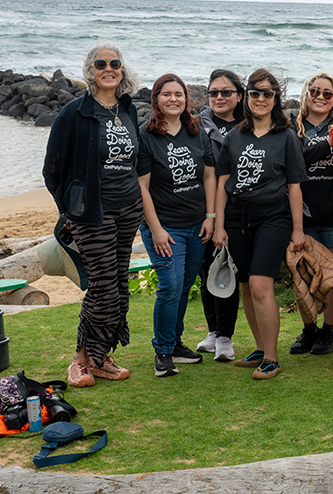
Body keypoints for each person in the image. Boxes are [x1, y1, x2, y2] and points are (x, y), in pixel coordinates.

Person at [43, 41, 143, 387]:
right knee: (103, 290)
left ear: (122, 70)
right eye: (100, 64)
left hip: (128, 208)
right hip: (92, 214)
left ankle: (99, 358)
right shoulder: (75, 113)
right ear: (91, 70)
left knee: (119, 287)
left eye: (115, 63)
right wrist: (68, 209)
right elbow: (52, 170)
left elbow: (135, 160)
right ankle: (79, 360)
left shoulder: (128, 109)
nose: (108, 69)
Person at [213, 69, 307, 381]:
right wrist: (218, 224)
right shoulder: (235, 136)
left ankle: (272, 356)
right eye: (255, 93)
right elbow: (223, 180)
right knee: (244, 286)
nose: (261, 99)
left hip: (273, 216)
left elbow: (294, 186)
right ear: (246, 97)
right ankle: (258, 346)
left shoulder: (286, 137)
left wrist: (297, 230)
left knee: (260, 283)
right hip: (238, 217)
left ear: (275, 99)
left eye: (268, 94)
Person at [136, 74, 216, 377]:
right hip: (164, 226)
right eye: (166, 94)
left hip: (196, 224)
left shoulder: (197, 131)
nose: (173, 99)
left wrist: (210, 216)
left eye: (178, 94)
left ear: (186, 99)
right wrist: (156, 229)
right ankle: (162, 352)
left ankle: (175, 343)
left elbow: (208, 175)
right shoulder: (147, 134)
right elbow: (142, 187)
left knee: (183, 287)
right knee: (169, 287)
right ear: (156, 99)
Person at [288, 72, 333, 356]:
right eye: (314, 91)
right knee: (301, 272)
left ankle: (327, 332)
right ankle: (308, 330)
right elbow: (297, 162)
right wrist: (328, 144)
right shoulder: (292, 127)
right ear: (306, 95)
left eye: (327, 93)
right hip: (300, 214)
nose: (320, 97)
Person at [195, 70, 245, 363]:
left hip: (237, 207)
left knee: (226, 271)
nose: (219, 98)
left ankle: (226, 337)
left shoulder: (248, 126)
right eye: (214, 92)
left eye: (226, 92)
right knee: (206, 272)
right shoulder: (197, 126)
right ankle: (213, 331)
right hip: (204, 209)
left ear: (239, 96)